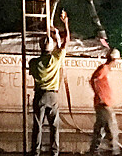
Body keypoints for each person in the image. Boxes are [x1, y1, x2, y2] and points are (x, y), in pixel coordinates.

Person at [28, 10, 71, 156]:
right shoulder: (56, 59)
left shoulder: (33, 62)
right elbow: (66, 43)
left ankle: (36, 151)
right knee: (54, 126)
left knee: (38, 126)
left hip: (39, 94)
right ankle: (54, 151)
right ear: (51, 48)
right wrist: (65, 24)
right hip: (52, 95)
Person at [89, 48, 122, 155]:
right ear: (113, 59)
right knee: (111, 128)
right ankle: (114, 151)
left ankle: (94, 150)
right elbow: (94, 80)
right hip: (103, 104)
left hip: (104, 103)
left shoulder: (107, 70)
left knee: (100, 128)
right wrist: (100, 96)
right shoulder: (104, 69)